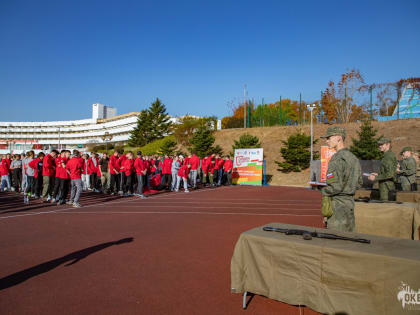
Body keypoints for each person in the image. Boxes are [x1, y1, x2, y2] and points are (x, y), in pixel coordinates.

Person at [321, 126, 362, 232]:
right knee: (349, 239)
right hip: (350, 204)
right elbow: (359, 183)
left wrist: (321, 189)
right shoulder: (353, 158)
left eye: (329, 138)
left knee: (336, 241)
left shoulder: (336, 159)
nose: (327, 141)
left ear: (338, 138)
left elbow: (335, 186)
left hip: (338, 206)